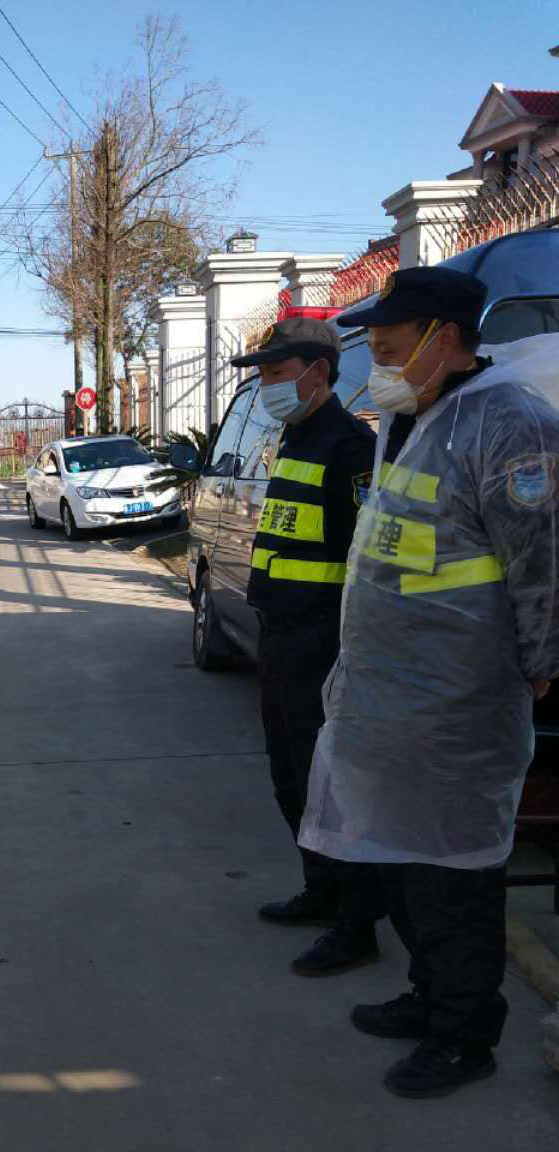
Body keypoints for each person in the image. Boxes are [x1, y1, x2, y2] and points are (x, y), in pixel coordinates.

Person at [300, 266, 559, 1098]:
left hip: (461, 700)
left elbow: (542, 563)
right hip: (394, 693)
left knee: (455, 875)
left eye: (388, 349)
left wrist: (542, 665)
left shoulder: (511, 425)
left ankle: (464, 1035)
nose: (375, 366)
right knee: (408, 861)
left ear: (445, 340)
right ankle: (429, 993)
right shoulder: (413, 416)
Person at [230, 318, 385, 976]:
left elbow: (365, 560)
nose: (266, 385)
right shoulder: (295, 438)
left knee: (331, 786)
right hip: (281, 635)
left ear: (318, 373)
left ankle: (356, 923)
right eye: (263, 373)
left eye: (276, 373)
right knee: (290, 777)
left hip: (323, 640)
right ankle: (320, 889)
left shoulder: (350, 448)